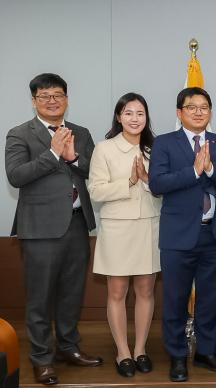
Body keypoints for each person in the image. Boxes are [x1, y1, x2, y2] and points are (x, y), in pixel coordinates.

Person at [5, 73, 103, 385]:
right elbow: (16, 175)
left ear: (66, 99)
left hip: (76, 224)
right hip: (39, 229)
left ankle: (69, 348)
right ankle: (41, 358)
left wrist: (74, 157)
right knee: (40, 297)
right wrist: (52, 155)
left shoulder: (81, 132)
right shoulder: (20, 133)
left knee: (71, 293)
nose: (52, 101)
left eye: (58, 95)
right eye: (45, 96)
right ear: (34, 101)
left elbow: (94, 170)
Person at [148, 87, 216, 382]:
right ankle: (177, 356)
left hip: (215, 234)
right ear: (179, 112)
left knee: (210, 298)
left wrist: (210, 168)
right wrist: (195, 172)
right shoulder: (164, 143)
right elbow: (157, 184)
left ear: (210, 112)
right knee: (175, 298)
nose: (198, 112)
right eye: (191, 107)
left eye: (204, 107)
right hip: (178, 236)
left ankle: (206, 351)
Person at [88, 93, 161, 377]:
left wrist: (146, 180)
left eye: (140, 113)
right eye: (128, 113)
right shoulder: (104, 148)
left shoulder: (157, 148)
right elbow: (95, 191)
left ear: (146, 117)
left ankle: (141, 348)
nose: (134, 119)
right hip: (117, 228)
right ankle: (123, 351)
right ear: (119, 117)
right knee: (117, 292)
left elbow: (166, 190)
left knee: (145, 291)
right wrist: (128, 181)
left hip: (149, 226)